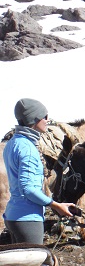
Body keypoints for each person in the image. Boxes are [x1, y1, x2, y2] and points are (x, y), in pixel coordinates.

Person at [3, 98, 74, 244]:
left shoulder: (12, 143)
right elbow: (28, 189)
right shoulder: (28, 149)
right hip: (28, 219)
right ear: (35, 119)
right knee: (39, 265)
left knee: (21, 265)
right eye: (45, 116)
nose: (48, 120)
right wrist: (56, 205)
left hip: (12, 216)